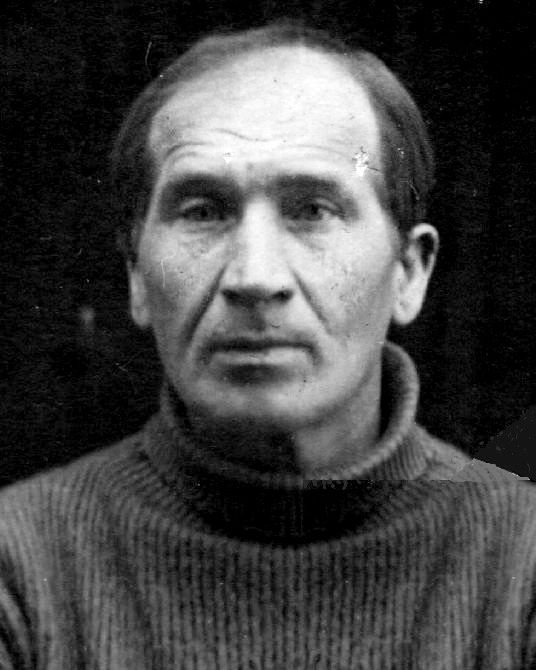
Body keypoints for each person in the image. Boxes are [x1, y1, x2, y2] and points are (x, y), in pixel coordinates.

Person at [1, 21, 535, 670]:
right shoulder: (18, 565)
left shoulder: (524, 563)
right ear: (136, 274)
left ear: (409, 272)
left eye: (312, 210)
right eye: (203, 211)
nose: (255, 277)